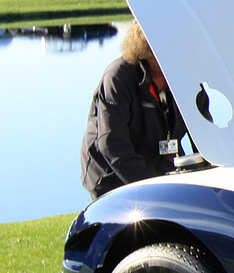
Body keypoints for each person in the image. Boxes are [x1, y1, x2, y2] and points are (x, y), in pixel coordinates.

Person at [79, 21, 188, 200]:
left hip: (156, 166)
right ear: (146, 50)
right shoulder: (118, 77)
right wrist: (152, 187)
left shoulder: (180, 78)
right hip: (111, 176)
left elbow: (203, 127)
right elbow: (112, 143)